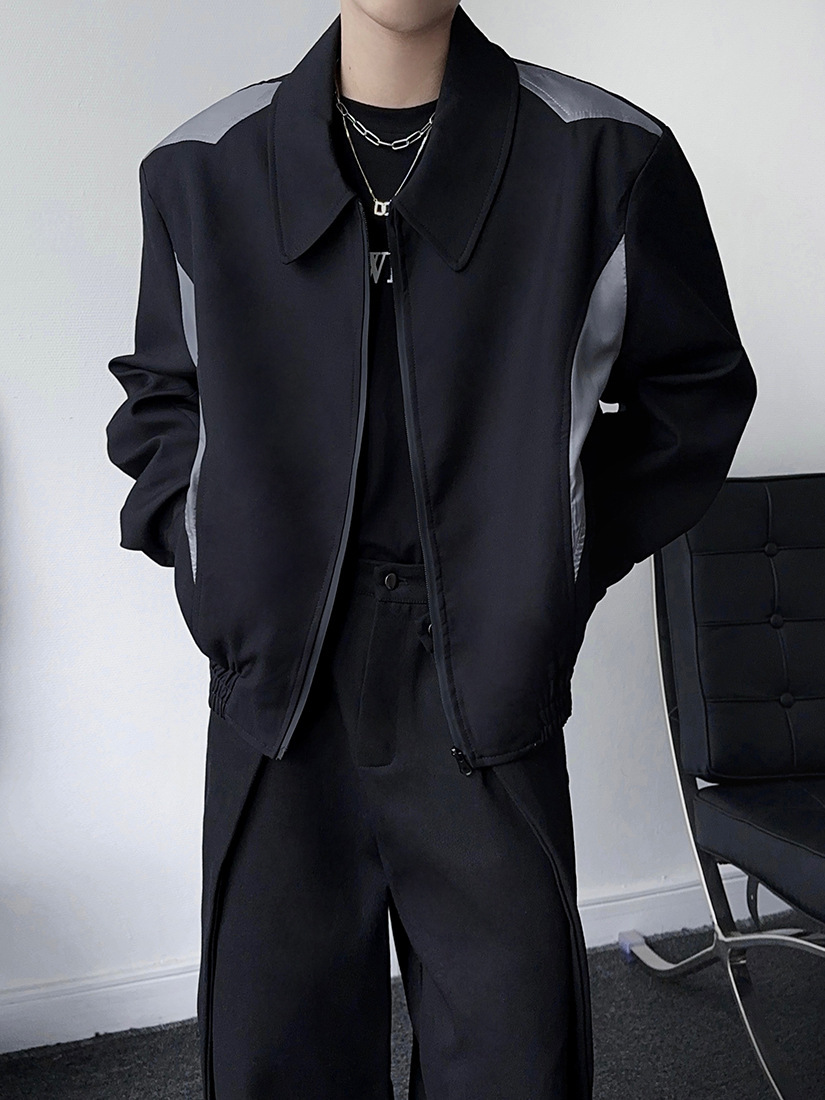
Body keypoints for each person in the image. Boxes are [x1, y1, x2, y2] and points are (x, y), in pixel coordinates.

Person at [105, 2, 757, 1097]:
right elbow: (162, 397)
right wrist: (215, 554)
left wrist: (554, 551)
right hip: (278, 695)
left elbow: (694, 395)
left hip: (485, 682)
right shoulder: (202, 168)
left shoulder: (605, 158)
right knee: (278, 1055)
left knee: (511, 1053)